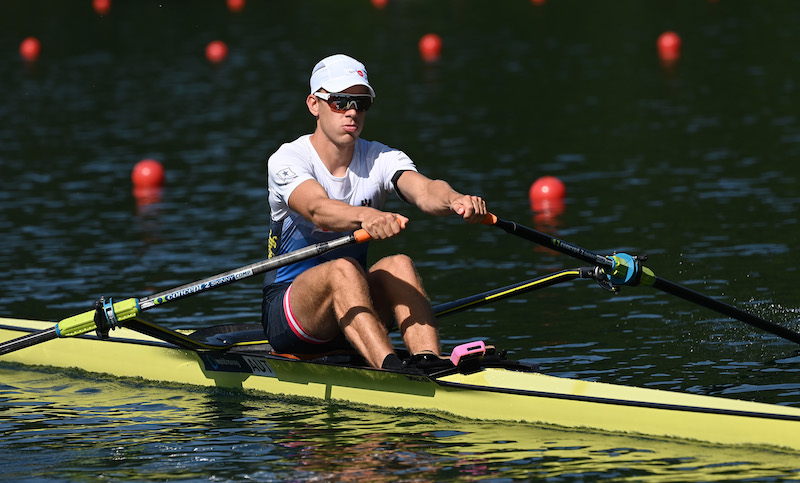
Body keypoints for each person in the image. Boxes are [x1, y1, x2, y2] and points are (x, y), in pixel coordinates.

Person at [262, 54, 486, 370]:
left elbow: (424, 190)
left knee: (399, 263)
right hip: (291, 317)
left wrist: (455, 200)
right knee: (343, 268)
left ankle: (429, 361)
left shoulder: (380, 158)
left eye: (361, 103)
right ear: (314, 104)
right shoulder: (288, 159)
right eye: (340, 101)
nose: (352, 111)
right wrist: (366, 216)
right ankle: (390, 370)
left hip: (355, 308)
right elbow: (316, 209)